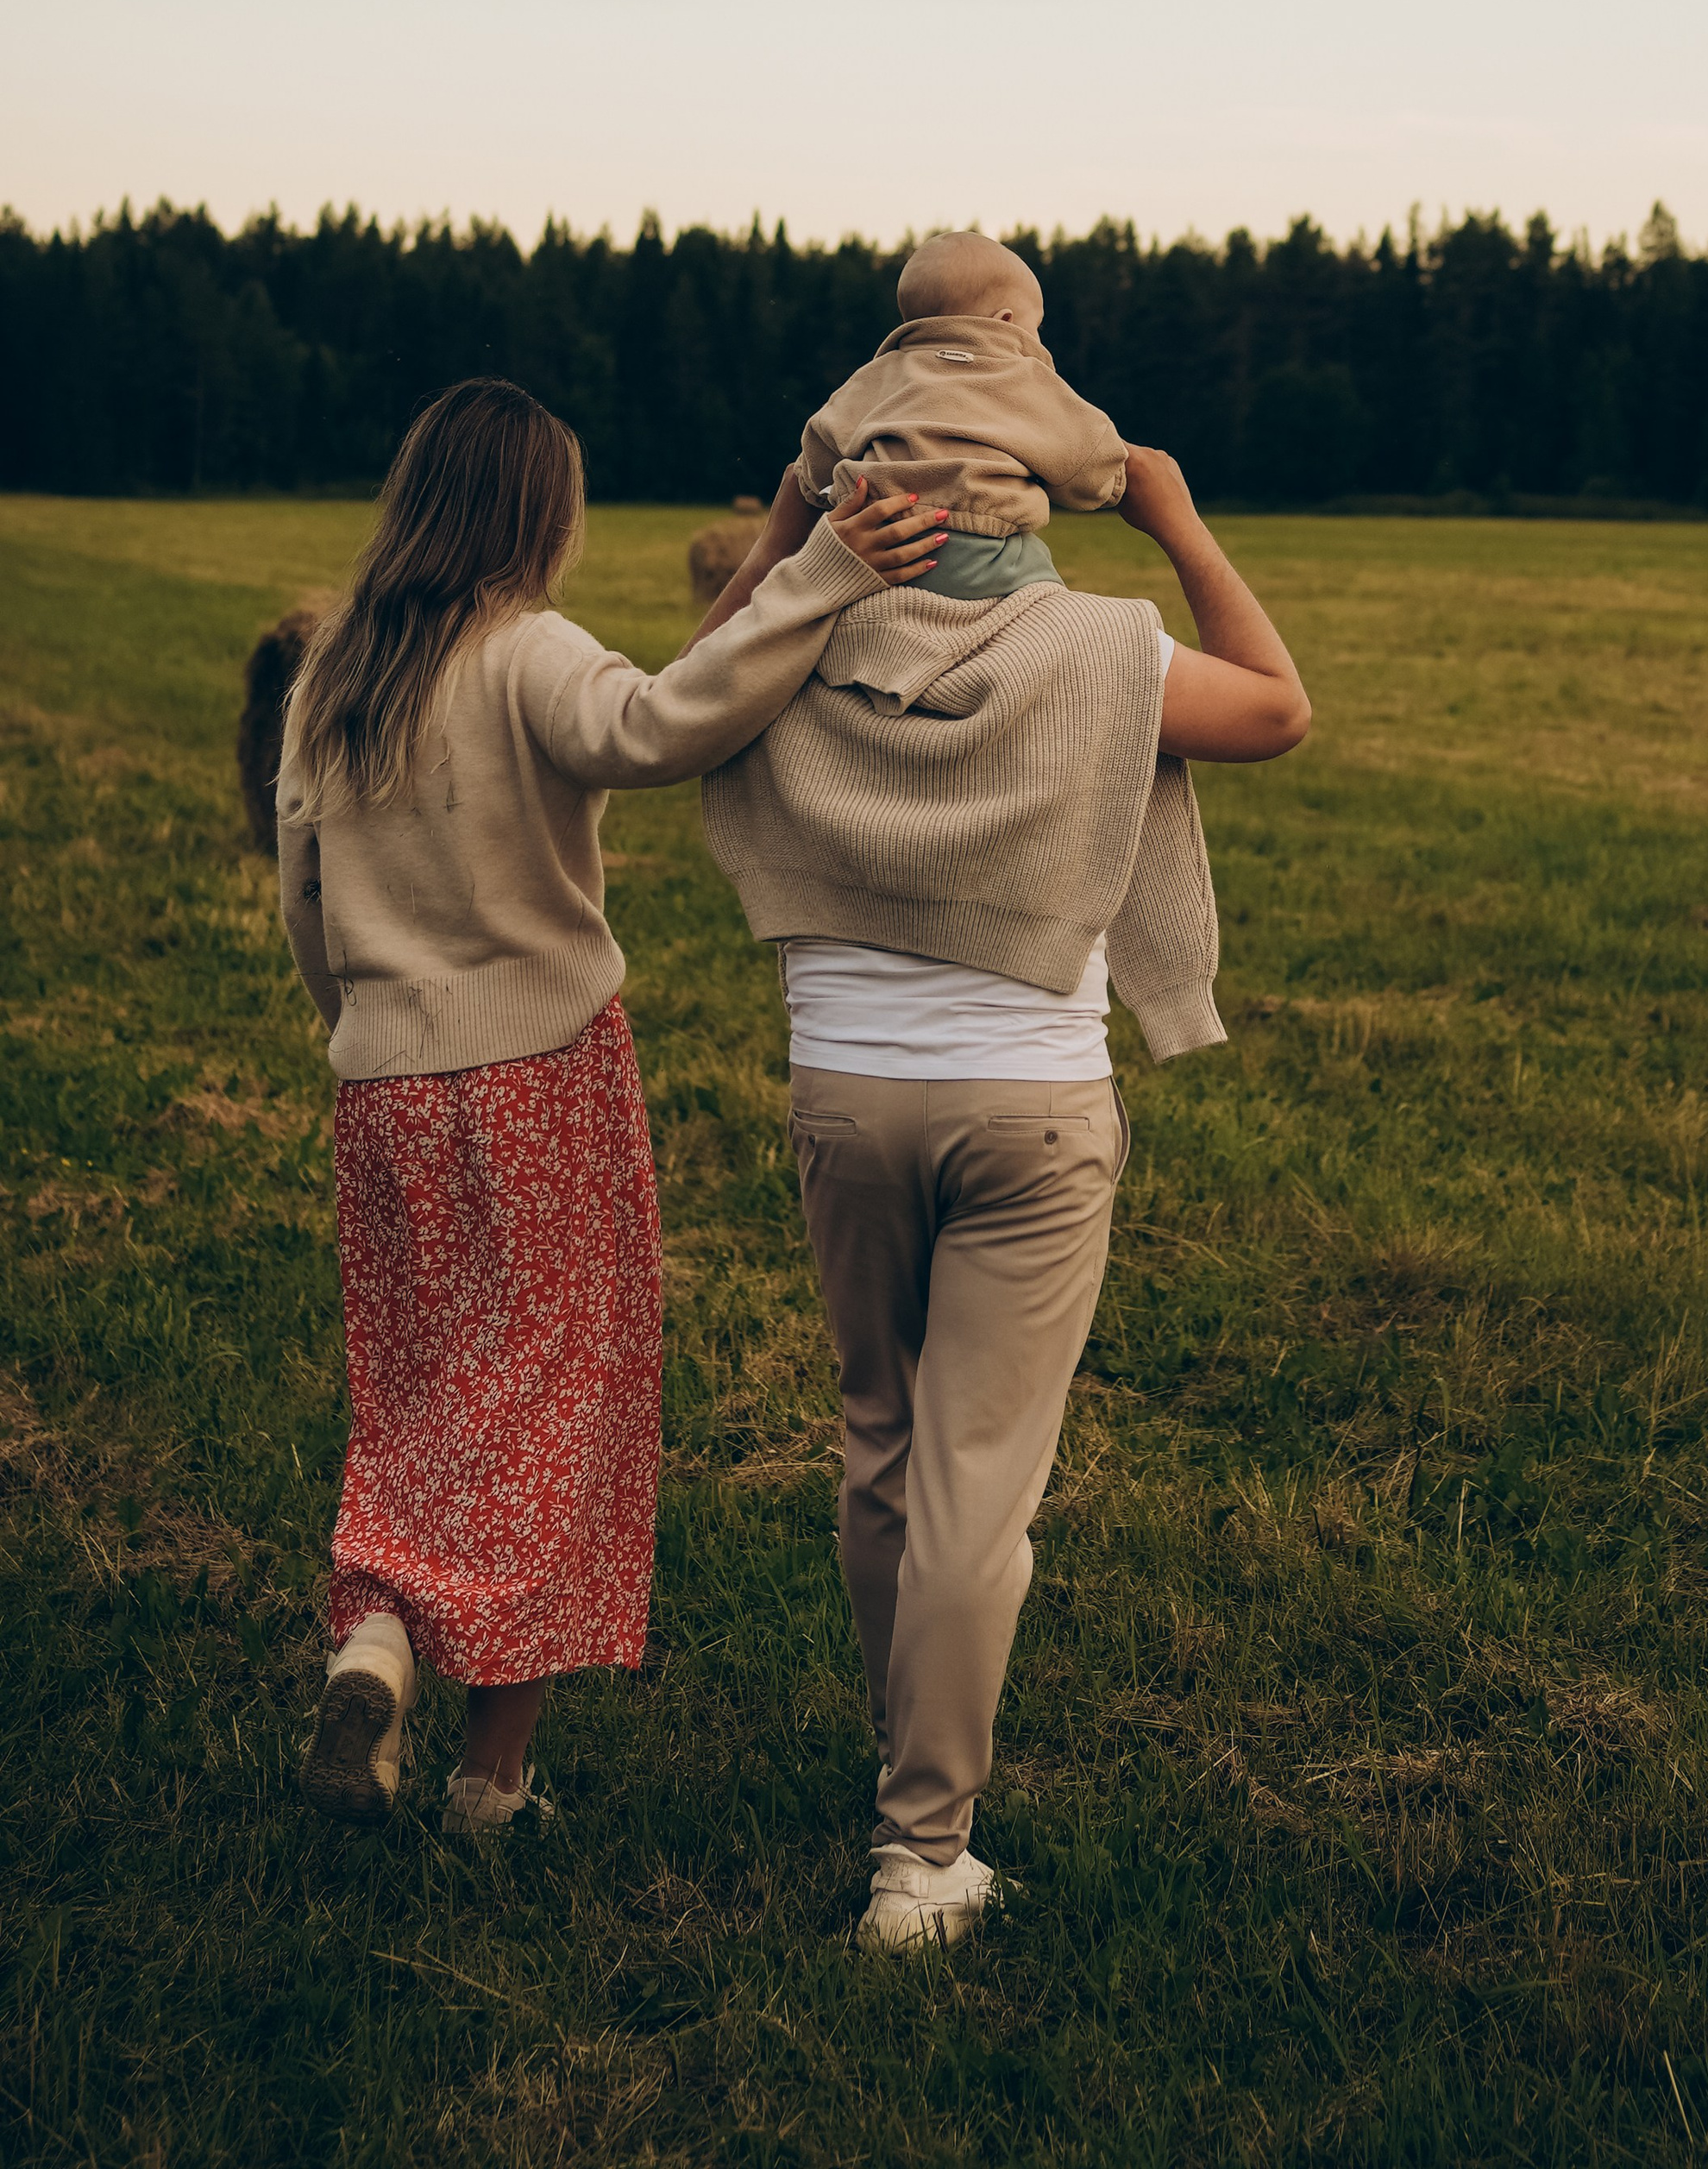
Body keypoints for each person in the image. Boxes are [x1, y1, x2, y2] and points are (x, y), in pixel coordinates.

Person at [277, 376, 945, 1838]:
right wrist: (830, 568)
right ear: (543, 516)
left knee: (417, 1389)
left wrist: (366, 1034)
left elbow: (305, 898)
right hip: (545, 1078)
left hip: (382, 1088)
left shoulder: (333, 672)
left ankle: (376, 1643)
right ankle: (491, 1786)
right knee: (552, 1409)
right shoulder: (530, 654)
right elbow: (659, 728)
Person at [697, 440, 1309, 1948]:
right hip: (1030, 1109)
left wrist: (791, 522)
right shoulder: (1106, 649)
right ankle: (923, 1856)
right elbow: (1280, 708)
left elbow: (677, 705)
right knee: (980, 1480)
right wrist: (1174, 512)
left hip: (844, 1097)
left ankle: (903, 1757)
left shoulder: (797, 638)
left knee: (879, 1444)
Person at [794, 229, 1125, 601]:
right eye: (1038, 328)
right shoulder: (1022, 378)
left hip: (877, 551)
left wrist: (814, 487)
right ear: (1006, 322)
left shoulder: (876, 376)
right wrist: (1114, 483)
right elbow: (1087, 462)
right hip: (987, 559)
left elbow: (818, 449)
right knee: (1055, 600)